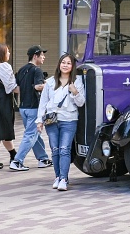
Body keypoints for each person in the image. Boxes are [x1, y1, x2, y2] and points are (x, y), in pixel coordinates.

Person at [36, 53, 86, 191]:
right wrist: (39, 120)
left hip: (69, 119)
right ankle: (57, 177)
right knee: (55, 150)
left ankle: (63, 178)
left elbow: (81, 103)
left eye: (68, 63)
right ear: (59, 64)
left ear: (73, 66)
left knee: (65, 149)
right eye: (63, 62)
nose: (65, 65)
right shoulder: (51, 82)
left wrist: (75, 91)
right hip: (52, 120)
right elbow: (43, 102)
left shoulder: (77, 81)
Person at [11, 45, 52, 171]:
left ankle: (43, 159)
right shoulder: (37, 70)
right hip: (34, 107)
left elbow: (16, 88)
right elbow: (38, 86)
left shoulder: (22, 70)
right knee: (30, 134)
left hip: (23, 107)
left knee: (35, 134)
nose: (44, 57)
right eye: (42, 55)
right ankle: (17, 161)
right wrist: (49, 84)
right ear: (35, 56)